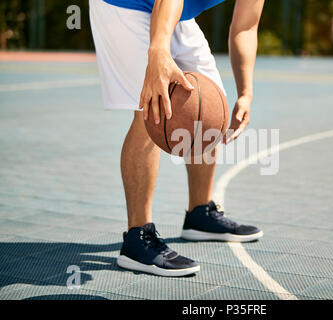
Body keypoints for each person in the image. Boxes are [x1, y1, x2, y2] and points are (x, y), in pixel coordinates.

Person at [89, 0, 265, 277]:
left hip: (176, 12)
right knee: (152, 110)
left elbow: (245, 26)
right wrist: (158, 51)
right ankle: (137, 238)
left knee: (208, 104)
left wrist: (246, 92)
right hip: (125, 5)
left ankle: (199, 215)